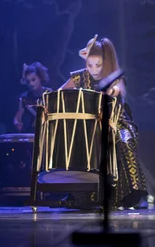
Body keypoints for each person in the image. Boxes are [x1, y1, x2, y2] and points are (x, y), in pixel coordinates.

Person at [60, 35, 148, 209]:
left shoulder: (114, 77)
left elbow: (117, 90)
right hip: (89, 124)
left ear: (105, 62)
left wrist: (111, 92)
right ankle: (82, 194)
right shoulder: (80, 77)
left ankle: (134, 195)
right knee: (80, 139)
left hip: (117, 123)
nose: (93, 70)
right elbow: (61, 92)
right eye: (89, 65)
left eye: (98, 65)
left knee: (124, 141)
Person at [13, 62, 52, 132]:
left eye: (33, 80)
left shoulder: (49, 93)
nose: (31, 83)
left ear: (40, 78)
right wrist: (17, 123)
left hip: (47, 133)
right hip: (31, 134)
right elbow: (18, 117)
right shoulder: (25, 98)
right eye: (28, 81)